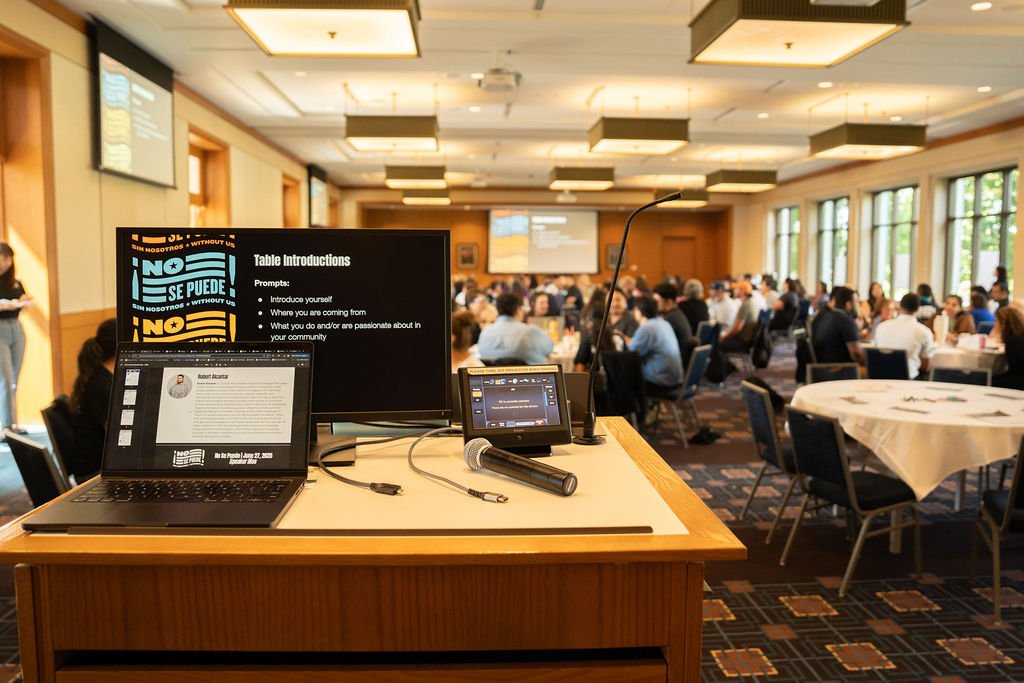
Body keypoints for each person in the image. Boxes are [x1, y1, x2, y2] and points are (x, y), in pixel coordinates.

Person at [68, 318, 117, 479]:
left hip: (99, 466)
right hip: (93, 473)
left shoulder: (102, 376)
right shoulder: (101, 385)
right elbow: (118, 439)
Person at [619, 295, 682, 393]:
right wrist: (624, 337)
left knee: (620, 376)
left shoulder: (647, 328)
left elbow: (631, 354)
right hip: (673, 379)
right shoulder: (662, 323)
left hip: (659, 382)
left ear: (640, 311)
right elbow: (637, 345)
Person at [0, 241, 31, 434]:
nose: (5, 262)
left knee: (14, 379)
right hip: (0, 329)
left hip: (16, 328)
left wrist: (23, 302)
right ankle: (5, 426)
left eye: (8, 258)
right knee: (5, 378)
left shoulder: (15, 281)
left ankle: (12, 423)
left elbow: (23, 301)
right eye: (2, 258)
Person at [477, 293, 553, 365]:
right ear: (518, 310)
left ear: (497, 311)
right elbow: (549, 348)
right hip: (529, 374)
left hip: (494, 374)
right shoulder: (531, 332)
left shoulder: (485, 332)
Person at [873, 293, 935, 379]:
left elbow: (876, 352)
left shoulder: (881, 327)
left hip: (880, 377)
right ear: (918, 309)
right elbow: (925, 366)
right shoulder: (924, 331)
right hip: (908, 381)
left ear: (899, 307)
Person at [811, 286, 863, 364]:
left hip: (823, 364)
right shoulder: (845, 320)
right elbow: (856, 354)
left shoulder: (827, 315)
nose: (858, 305)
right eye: (856, 302)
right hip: (839, 367)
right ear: (848, 304)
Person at [652, 282, 692, 356]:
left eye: (657, 301)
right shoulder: (676, 313)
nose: (654, 305)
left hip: (675, 358)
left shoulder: (669, 320)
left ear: (669, 302)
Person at [719, 281, 760, 353]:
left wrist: (724, 337)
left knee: (716, 343)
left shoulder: (745, 305)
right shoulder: (750, 302)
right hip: (749, 341)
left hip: (743, 342)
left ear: (742, 291)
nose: (734, 291)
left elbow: (737, 328)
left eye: (736, 289)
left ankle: (722, 360)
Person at [992, 305, 1024, 390]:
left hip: (1020, 379)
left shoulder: (1013, 341)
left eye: (996, 321)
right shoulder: (1019, 336)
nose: (995, 324)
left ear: (1003, 323)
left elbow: (1016, 369)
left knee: (991, 380)